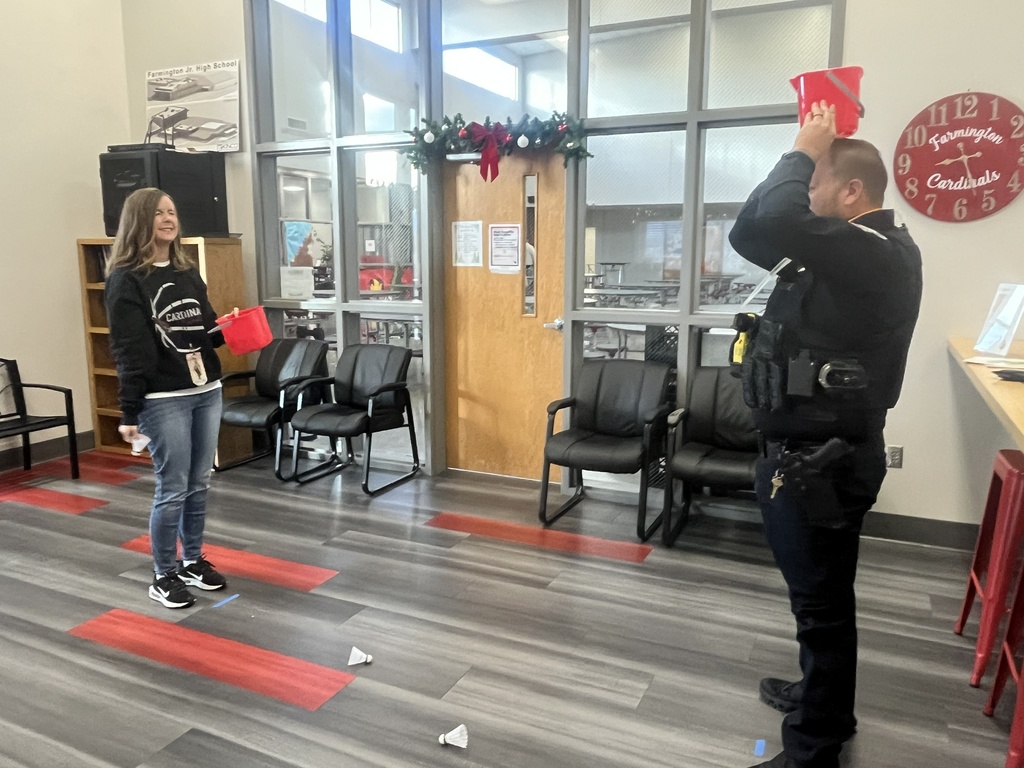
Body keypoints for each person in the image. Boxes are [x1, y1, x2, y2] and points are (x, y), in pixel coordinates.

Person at [728, 102, 923, 768]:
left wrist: (805, 144)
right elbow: (751, 230)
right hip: (804, 457)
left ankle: (814, 747)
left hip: (822, 465)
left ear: (850, 191)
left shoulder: (878, 254)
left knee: (823, 607)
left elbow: (781, 219)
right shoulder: (840, 256)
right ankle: (821, 698)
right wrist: (798, 164)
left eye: (814, 183)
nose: (804, 197)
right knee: (818, 599)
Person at [105, 187, 229, 609]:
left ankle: (192, 560)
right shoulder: (127, 279)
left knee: (199, 483)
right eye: (158, 213)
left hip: (206, 389)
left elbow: (205, 330)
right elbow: (128, 350)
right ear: (141, 221)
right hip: (163, 398)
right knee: (172, 487)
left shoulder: (187, 271)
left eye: (172, 211)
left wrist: (230, 328)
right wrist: (129, 408)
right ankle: (164, 573)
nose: (168, 218)